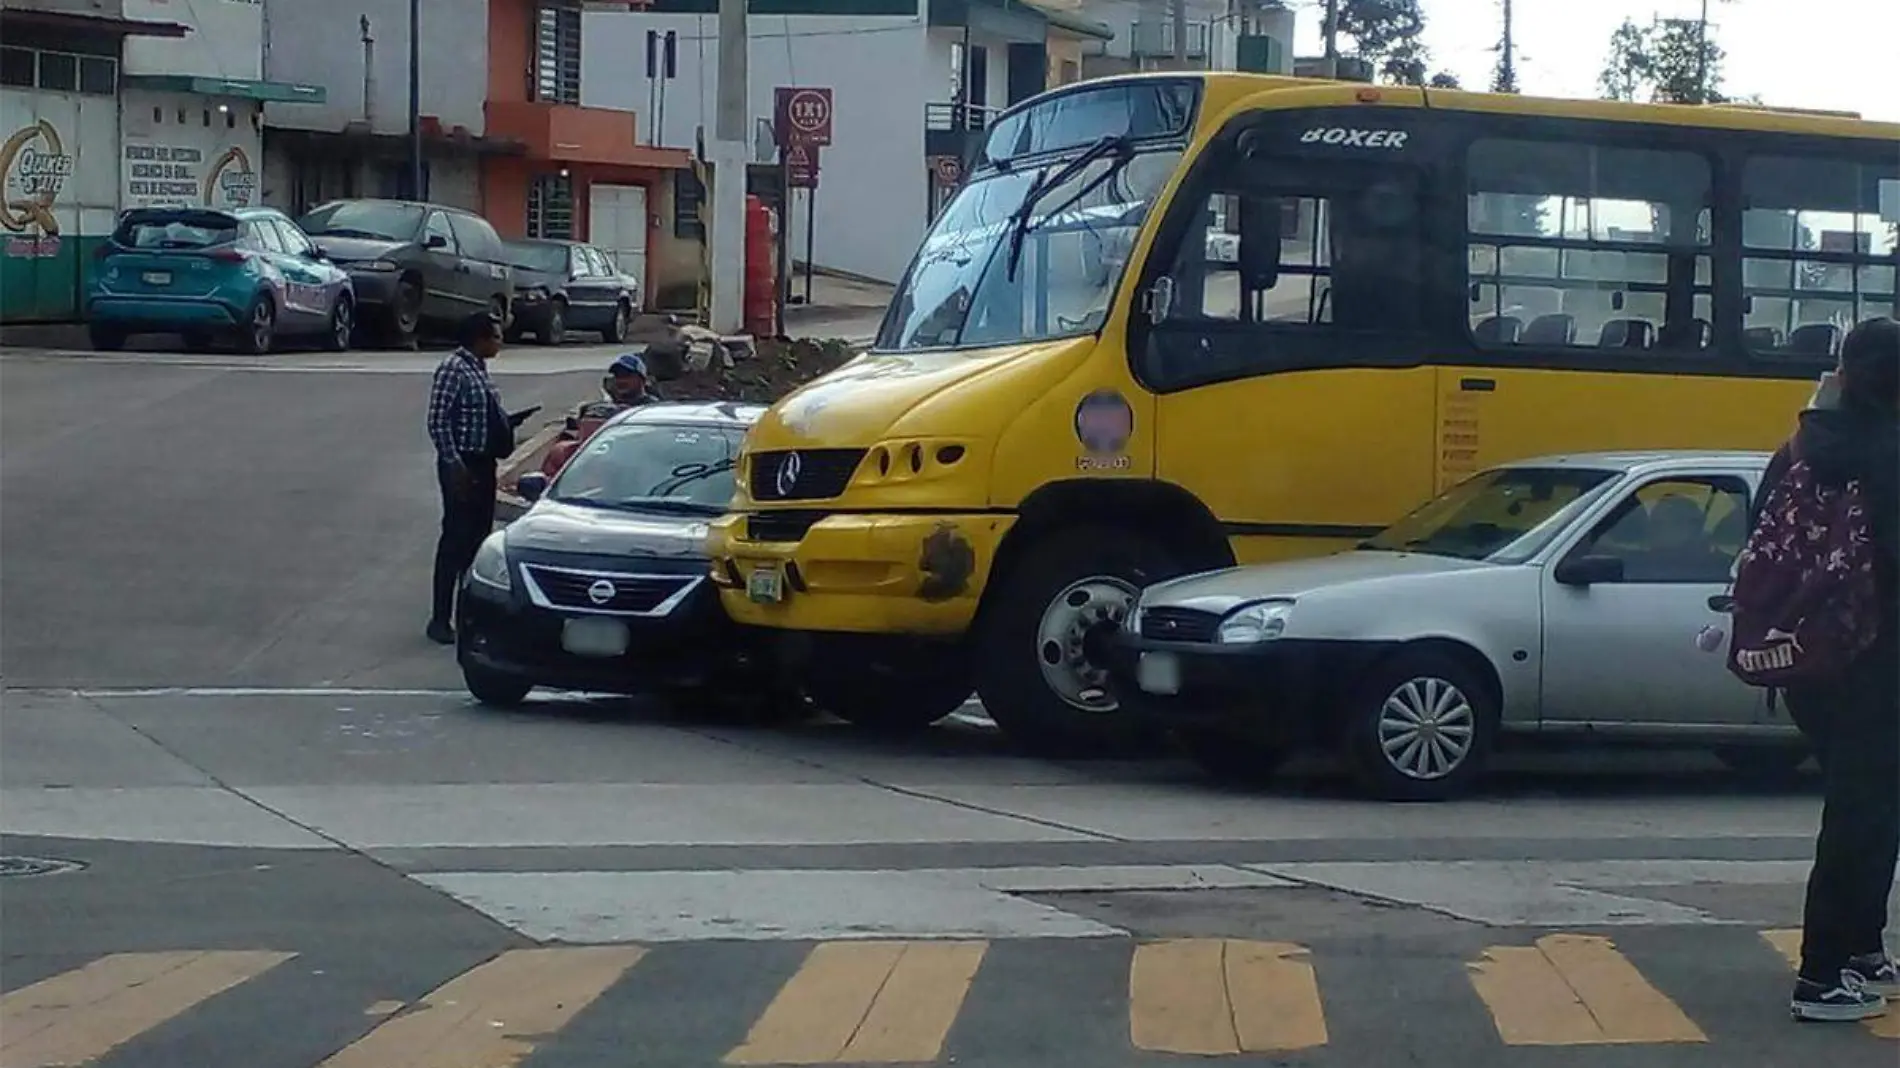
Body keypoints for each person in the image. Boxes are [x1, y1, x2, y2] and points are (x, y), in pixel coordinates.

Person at [1776, 317, 1900, 1022]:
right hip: (1872, 660)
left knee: (1871, 804)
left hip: (1809, 658)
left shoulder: (1803, 445)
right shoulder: (1884, 451)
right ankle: (1822, 975)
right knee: (1863, 811)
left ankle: (1859, 949)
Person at [425, 312, 513, 645]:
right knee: (455, 540)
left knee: (477, 541)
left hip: (483, 462)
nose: (499, 342)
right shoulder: (453, 369)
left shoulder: (478, 369)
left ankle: (468, 615)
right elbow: (438, 420)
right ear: (479, 338)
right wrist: (453, 463)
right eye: (496, 336)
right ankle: (440, 618)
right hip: (462, 464)